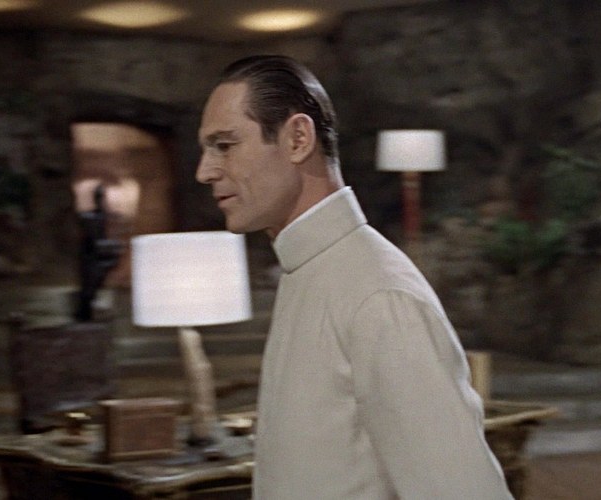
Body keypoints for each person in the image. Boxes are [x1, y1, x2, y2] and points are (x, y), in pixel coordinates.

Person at [196, 55, 513, 499]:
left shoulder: (378, 295)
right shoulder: (312, 269)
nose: (205, 171)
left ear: (298, 139)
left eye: (225, 145)